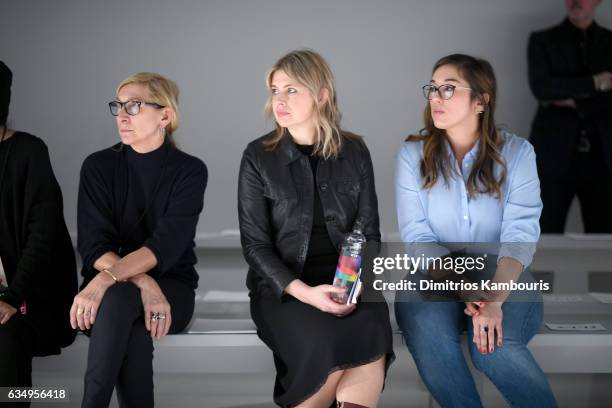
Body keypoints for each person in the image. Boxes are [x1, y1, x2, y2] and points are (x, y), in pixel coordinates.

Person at [394, 54, 558, 407]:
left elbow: (520, 236)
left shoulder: (517, 153)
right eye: (433, 88)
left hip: (503, 273)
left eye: (448, 89)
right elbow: (419, 240)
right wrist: (465, 288)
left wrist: (494, 299)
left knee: (493, 349)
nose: (435, 97)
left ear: (481, 100)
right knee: (432, 339)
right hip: (434, 275)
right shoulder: (412, 155)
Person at [238, 49, 394, 408]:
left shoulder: (354, 151)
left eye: (291, 89)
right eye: (275, 90)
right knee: (321, 337)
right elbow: (256, 247)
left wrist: (348, 290)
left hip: (349, 284)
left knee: (370, 324)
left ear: (322, 93)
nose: (280, 99)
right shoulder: (258, 156)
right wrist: (307, 293)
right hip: (284, 288)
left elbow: (369, 233)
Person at [73, 72, 207, 408]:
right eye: (118, 105)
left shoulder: (190, 171)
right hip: (112, 291)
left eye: (134, 105)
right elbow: (92, 244)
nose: (121, 114)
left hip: (171, 291)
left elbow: (165, 246)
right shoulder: (98, 166)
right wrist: (143, 282)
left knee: (118, 301)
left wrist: (107, 278)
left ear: (165, 115)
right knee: (124, 311)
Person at [0, 60, 77, 407]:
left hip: (26, 295)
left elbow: (42, 237)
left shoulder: (28, 153)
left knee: (6, 339)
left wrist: (12, 297)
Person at [528, 0, 612, 232]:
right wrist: (597, 82)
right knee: (544, 234)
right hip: (553, 155)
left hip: (603, 159)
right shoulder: (542, 40)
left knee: (604, 239)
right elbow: (542, 89)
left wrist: (568, 95)